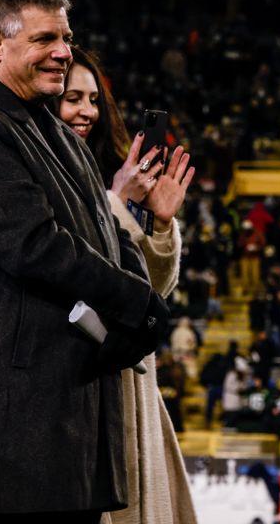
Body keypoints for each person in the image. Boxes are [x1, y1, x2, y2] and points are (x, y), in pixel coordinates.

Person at [0, 0, 170, 522]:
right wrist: (135, 300)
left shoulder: (54, 131)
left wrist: (140, 295)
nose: (63, 51)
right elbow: (31, 245)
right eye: (44, 39)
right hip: (18, 427)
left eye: (66, 36)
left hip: (74, 416)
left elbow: (106, 231)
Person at [50, 44, 200, 524]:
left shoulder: (112, 171)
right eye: (73, 98)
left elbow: (149, 288)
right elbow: (79, 270)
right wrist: (116, 203)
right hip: (84, 378)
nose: (86, 111)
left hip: (134, 384)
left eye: (94, 99)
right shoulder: (41, 174)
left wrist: (159, 224)